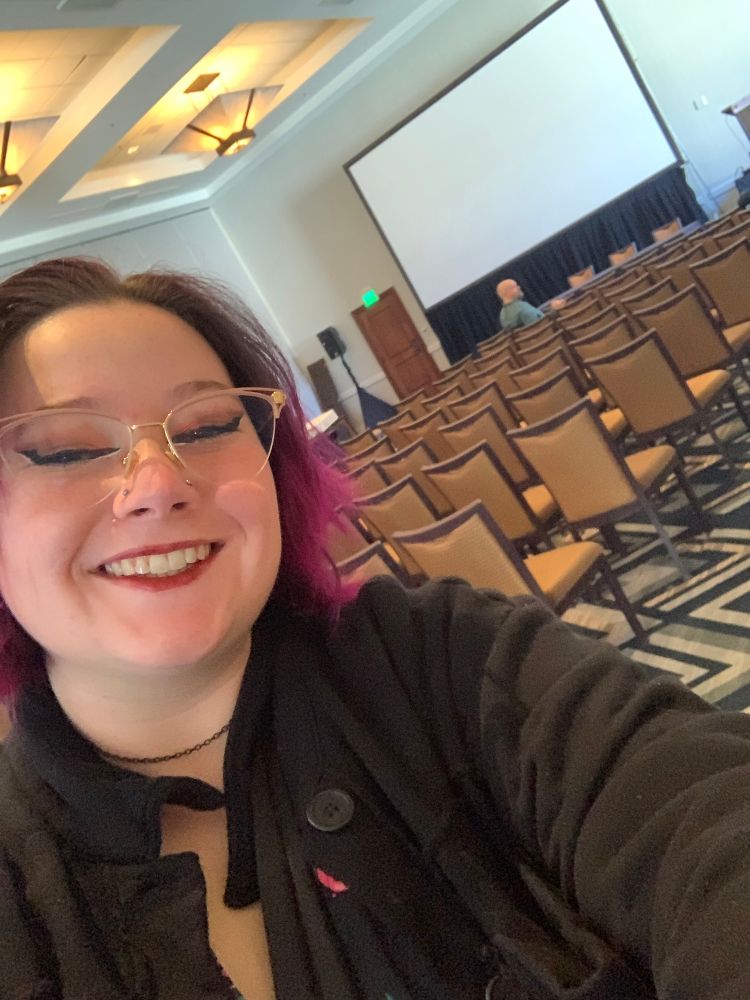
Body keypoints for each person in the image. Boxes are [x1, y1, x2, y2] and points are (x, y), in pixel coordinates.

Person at [1, 259, 750, 1000]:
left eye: (205, 427)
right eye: (67, 448)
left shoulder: (449, 657)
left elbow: (706, 822)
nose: (159, 485)